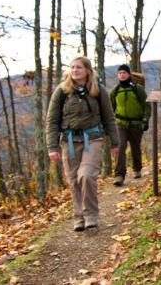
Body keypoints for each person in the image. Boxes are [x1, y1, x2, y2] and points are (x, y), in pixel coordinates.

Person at [46, 56, 120, 232]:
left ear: (87, 70)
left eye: (79, 67)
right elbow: (52, 120)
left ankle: (91, 215)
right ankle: (79, 217)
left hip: (92, 139)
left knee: (86, 176)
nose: (75, 70)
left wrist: (115, 142)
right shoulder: (62, 91)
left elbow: (109, 117)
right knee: (74, 180)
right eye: (72, 67)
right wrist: (52, 147)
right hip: (69, 142)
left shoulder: (98, 90)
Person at [110, 64, 151, 186]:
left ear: (129, 74)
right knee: (121, 147)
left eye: (124, 73)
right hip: (121, 124)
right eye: (120, 73)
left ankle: (137, 168)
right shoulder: (115, 90)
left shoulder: (137, 89)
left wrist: (145, 120)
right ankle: (119, 175)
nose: (122, 75)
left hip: (136, 123)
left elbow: (146, 105)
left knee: (135, 147)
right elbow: (112, 106)